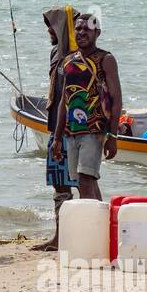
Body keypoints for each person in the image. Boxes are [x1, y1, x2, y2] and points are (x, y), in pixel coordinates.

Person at [50, 12, 122, 202]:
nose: (81, 33)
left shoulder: (105, 59)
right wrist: (57, 138)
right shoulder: (68, 61)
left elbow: (117, 100)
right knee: (85, 182)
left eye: (87, 29)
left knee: (85, 179)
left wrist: (113, 136)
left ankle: (90, 228)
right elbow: (64, 102)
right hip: (71, 132)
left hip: (94, 130)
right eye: (78, 29)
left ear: (97, 32)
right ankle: (101, 224)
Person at [36, 8, 78, 251]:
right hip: (56, 128)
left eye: (52, 26)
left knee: (83, 181)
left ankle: (85, 234)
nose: (49, 31)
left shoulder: (76, 56)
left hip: (73, 130)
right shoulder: (55, 52)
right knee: (59, 184)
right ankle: (60, 236)